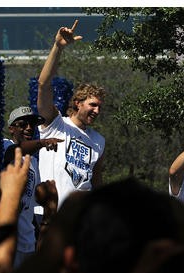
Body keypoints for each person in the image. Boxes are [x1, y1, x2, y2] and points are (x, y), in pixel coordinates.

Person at [37, 19, 106, 207]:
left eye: (99, 107)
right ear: (77, 103)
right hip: (48, 215)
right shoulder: (56, 124)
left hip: (79, 220)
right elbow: (43, 85)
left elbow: (97, 181)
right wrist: (58, 47)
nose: (96, 110)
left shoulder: (99, 140)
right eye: (92, 105)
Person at [3, 106, 62, 268]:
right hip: (8, 241)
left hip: (27, 242)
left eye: (32, 125)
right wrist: (42, 143)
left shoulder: (33, 162)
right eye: (23, 124)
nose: (29, 128)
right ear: (11, 129)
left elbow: (29, 206)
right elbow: (14, 152)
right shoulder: (4, 146)